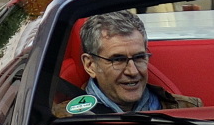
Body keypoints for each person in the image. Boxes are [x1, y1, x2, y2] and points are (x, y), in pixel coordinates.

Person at [57, 10, 203, 116]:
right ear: (90, 65)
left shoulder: (189, 110)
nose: (132, 71)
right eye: (118, 60)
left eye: (139, 57)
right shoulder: (59, 120)